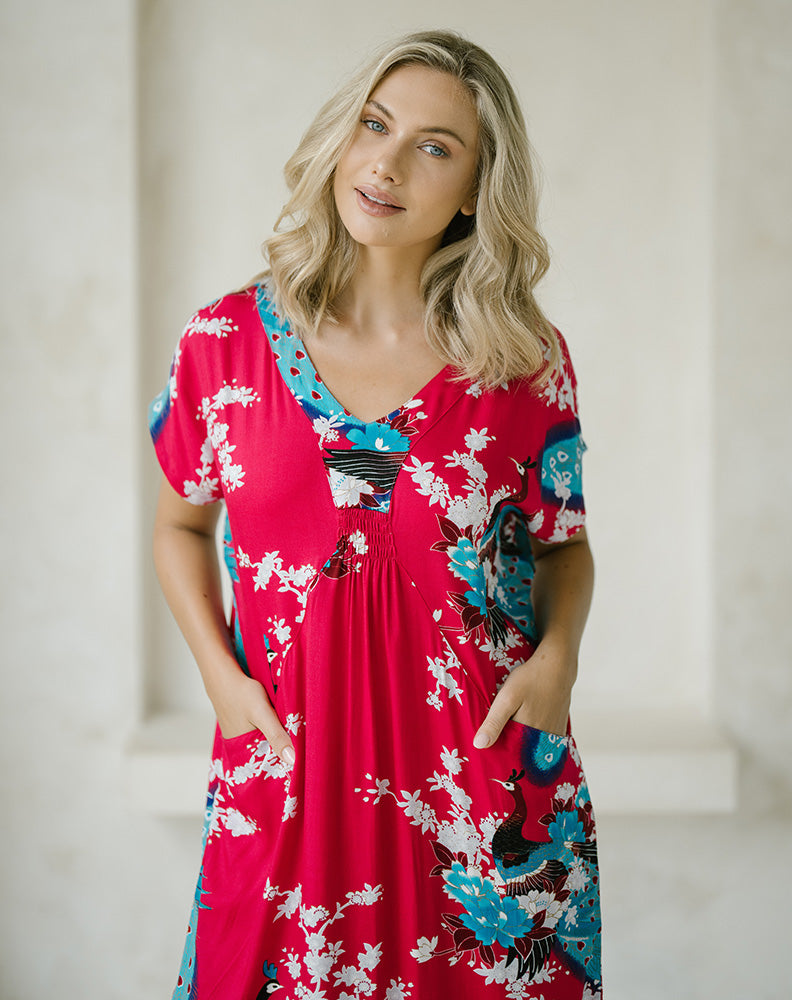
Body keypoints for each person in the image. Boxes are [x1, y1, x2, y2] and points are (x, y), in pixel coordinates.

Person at [149, 29, 601, 1000]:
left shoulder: (523, 360)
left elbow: (564, 545)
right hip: (288, 787)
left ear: (476, 189)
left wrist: (558, 659)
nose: (387, 163)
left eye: (435, 146)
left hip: (482, 801)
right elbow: (180, 523)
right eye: (374, 125)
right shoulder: (223, 343)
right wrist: (220, 677)